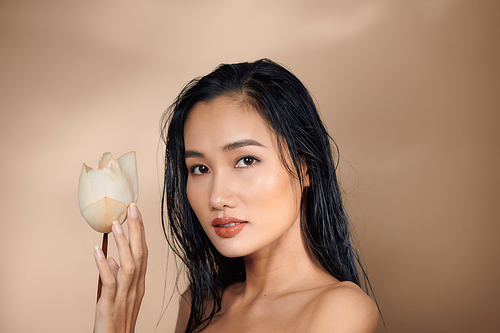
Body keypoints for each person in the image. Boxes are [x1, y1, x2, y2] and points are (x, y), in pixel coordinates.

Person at [93, 59, 379, 333]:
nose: (217, 197)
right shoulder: (198, 305)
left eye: (246, 161)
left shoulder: (340, 309)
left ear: (306, 169)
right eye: (200, 168)